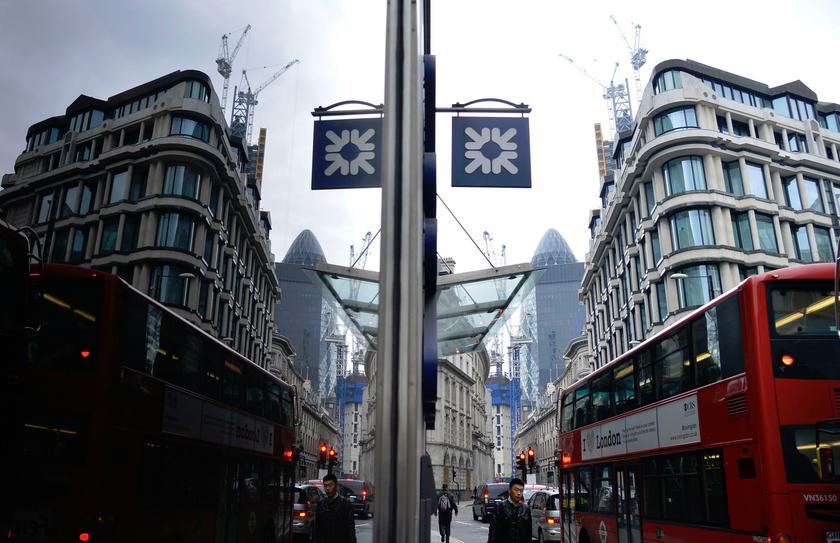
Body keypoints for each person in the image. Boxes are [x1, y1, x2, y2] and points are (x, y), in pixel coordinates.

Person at [314, 473, 357, 543]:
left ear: (336, 486)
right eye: (325, 486)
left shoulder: (345, 504)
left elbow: (350, 527)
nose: (327, 488)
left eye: (330, 485)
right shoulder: (321, 504)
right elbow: (317, 528)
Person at [488, 478, 531, 543]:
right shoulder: (500, 507)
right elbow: (493, 532)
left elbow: (528, 533)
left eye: (521, 491)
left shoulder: (526, 509)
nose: (519, 493)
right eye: (516, 490)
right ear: (509, 490)